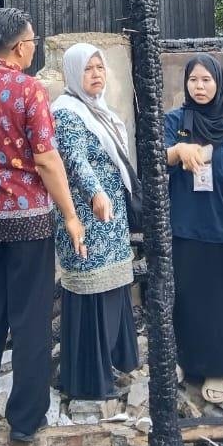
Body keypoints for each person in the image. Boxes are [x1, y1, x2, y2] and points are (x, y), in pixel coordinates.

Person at [0, 8, 86, 443]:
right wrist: (69, 213)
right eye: (32, 41)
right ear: (19, 46)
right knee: (29, 320)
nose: (33, 47)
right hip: (27, 223)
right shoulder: (30, 91)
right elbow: (46, 159)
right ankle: (26, 420)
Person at [164, 53, 223, 403]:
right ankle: (185, 362)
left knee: (222, 304)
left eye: (206, 80)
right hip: (186, 230)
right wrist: (178, 150)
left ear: (218, 83)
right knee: (187, 301)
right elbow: (154, 161)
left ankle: (217, 369)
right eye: (194, 80)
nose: (200, 86)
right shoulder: (175, 121)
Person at [51, 43, 140, 400]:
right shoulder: (67, 112)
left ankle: (111, 364)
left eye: (100, 67)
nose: (96, 74)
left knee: (112, 289)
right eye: (88, 69)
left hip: (111, 218)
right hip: (85, 217)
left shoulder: (100, 111)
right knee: (90, 292)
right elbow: (74, 160)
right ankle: (89, 380)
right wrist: (95, 193)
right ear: (73, 74)